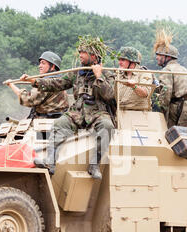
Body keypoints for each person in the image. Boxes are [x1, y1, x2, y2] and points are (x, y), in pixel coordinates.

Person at [22, 36, 116, 179]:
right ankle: (50, 162)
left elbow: (109, 95)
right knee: (59, 124)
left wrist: (99, 76)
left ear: (93, 56)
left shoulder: (107, 74)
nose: (80, 55)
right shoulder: (77, 73)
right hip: (77, 112)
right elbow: (57, 83)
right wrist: (35, 81)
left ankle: (94, 164)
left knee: (108, 126)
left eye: (83, 53)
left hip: (97, 112)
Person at [153, 29, 187, 130]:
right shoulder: (182, 68)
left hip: (184, 108)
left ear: (167, 57)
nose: (157, 58)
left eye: (159, 55)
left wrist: (158, 110)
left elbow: (165, 96)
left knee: (178, 137)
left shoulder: (167, 70)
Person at [6, 51, 69, 119]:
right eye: (40, 63)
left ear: (52, 66)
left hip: (45, 122)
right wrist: (31, 80)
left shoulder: (46, 84)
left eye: (43, 63)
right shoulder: (59, 81)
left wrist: (11, 85)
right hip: (57, 120)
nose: (40, 66)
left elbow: (28, 100)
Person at [115, 46, 155, 111]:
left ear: (132, 61)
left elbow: (145, 93)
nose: (120, 62)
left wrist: (134, 86)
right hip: (120, 112)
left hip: (139, 113)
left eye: (123, 60)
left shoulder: (144, 73)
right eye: (119, 60)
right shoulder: (119, 75)